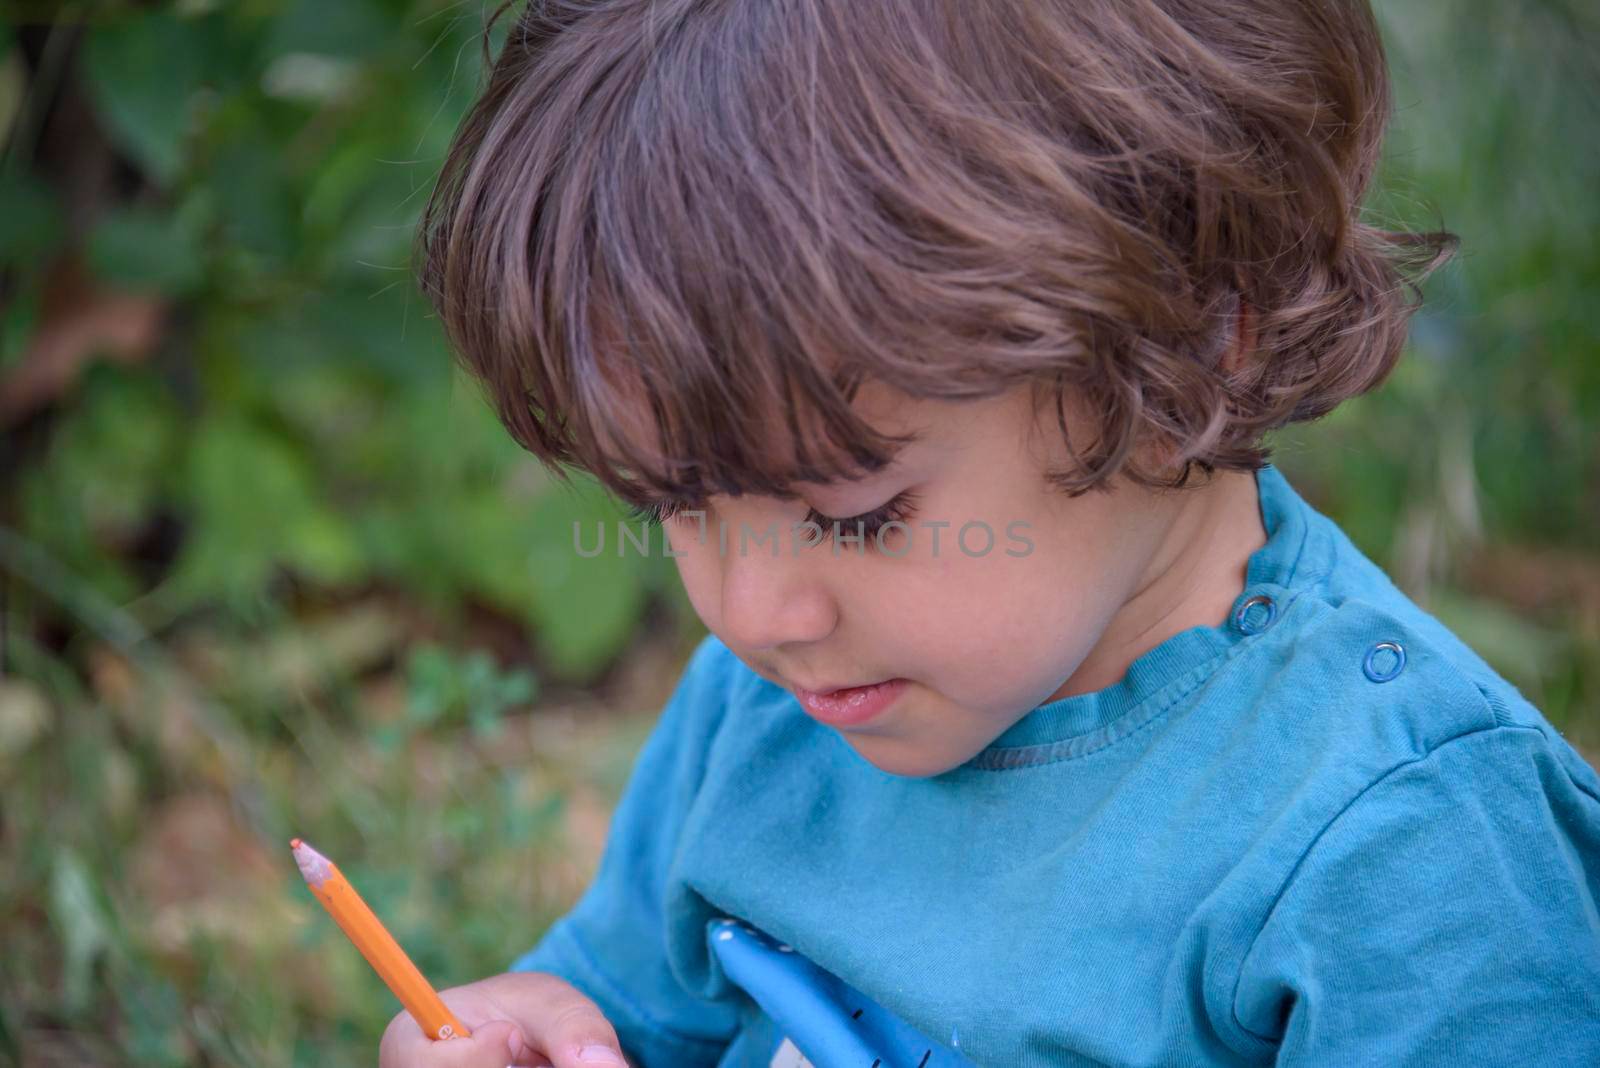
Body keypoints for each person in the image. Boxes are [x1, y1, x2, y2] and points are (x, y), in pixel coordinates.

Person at [381, 1, 1600, 1065]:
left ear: (1185, 339)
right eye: (674, 506)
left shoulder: (1405, 848)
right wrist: (529, 1021)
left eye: (854, 517)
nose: (754, 613)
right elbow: (622, 1000)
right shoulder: (781, 709)